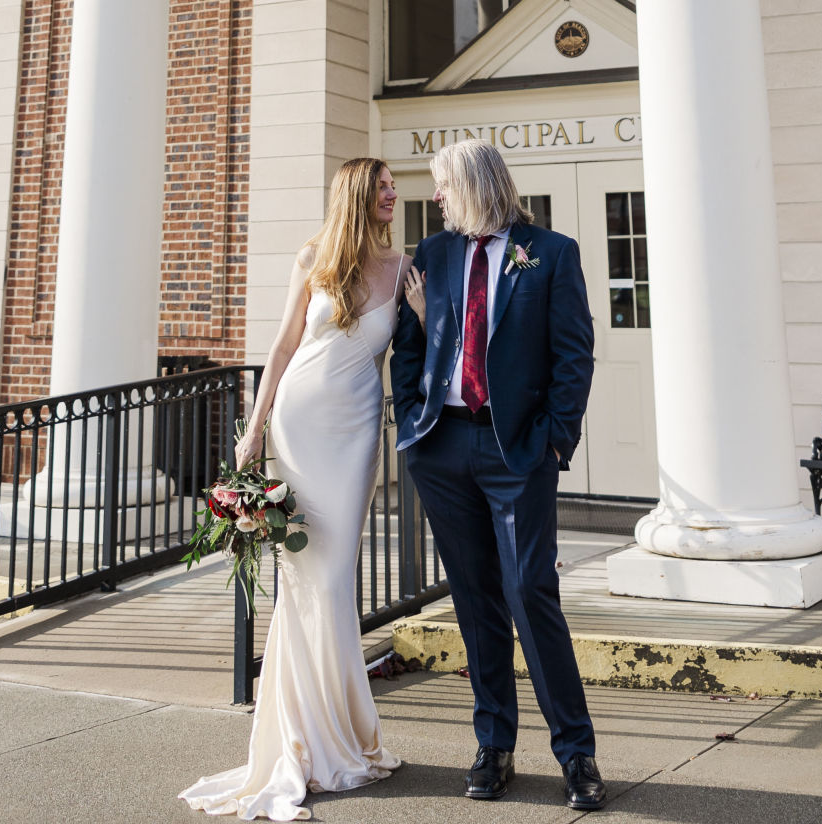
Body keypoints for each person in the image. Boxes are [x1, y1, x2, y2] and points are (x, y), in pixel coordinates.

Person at [180, 158, 412, 822]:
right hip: (299, 424)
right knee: (303, 574)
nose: (393, 194)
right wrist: (252, 432)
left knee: (334, 575)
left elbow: (409, 346)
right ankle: (305, 736)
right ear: (357, 197)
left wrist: (420, 309)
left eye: (395, 185)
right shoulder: (312, 257)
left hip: (356, 429)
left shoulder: (402, 270)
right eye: (383, 187)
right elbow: (282, 347)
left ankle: (339, 730)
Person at [391, 139, 605, 810]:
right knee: (475, 601)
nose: (435, 198)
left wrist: (553, 442)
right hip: (443, 448)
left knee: (528, 592)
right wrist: (411, 425)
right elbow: (410, 348)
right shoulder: (431, 255)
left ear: (476, 184)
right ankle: (494, 746)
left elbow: (574, 355)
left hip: (518, 455)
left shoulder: (550, 252)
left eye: (442, 185)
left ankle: (576, 755)